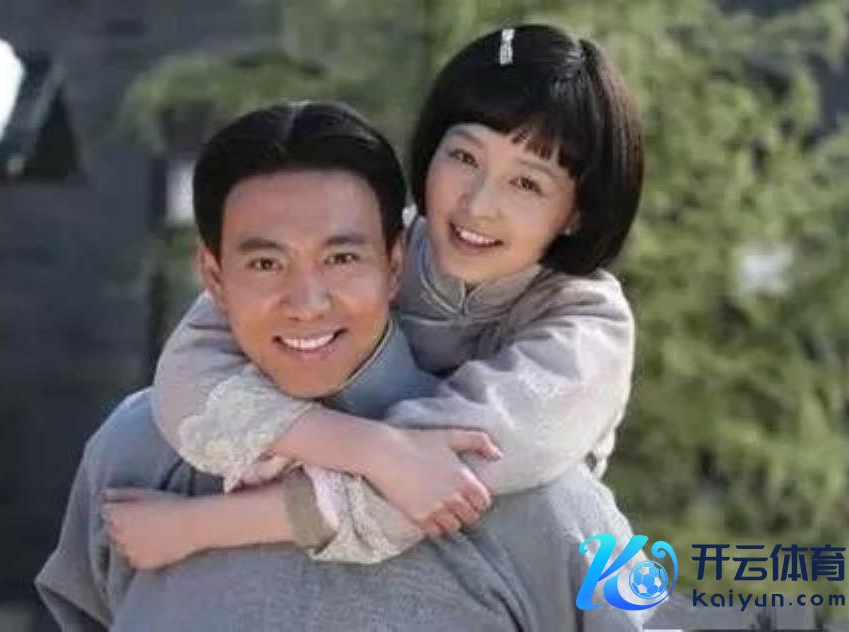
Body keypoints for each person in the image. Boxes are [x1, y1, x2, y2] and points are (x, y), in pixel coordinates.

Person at [36, 100, 648, 631]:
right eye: (266, 264)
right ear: (215, 278)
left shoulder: (532, 494)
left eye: (341, 258)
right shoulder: (132, 454)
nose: (306, 303)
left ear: (394, 264)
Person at [111, 23, 644, 565]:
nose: (479, 204)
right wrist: (371, 448)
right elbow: (188, 372)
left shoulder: (586, 328)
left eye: (526, 183)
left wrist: (199, 526)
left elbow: (446, 478)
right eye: (464, 157)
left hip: (509, 569)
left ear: (577, 212)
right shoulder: (366, 244)